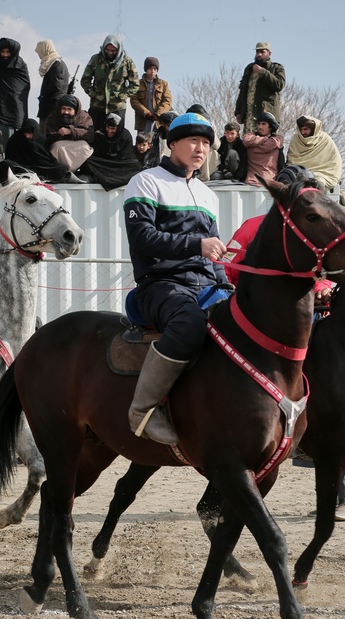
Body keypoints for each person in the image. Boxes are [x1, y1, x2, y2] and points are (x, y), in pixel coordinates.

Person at [123, 113, 229, 444]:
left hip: (206, 286)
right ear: (172, 144)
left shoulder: (207, 194)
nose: (202, 149)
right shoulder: (145, 181)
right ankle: (143, 409)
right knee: (189, 322)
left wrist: (227, 287)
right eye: (194, 141)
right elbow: (142, 238)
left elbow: (215, 255)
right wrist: (197, 244)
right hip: (161, 285)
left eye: (207, 144)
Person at [80, 34, 140, 133]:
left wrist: (122, 96)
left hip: (117, 107)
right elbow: (85, 80)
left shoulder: (127, 62)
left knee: (115, 136)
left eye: (113, 51)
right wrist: (93, 94)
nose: (110, 53)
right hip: (97, 106)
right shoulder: (96, 59)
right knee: (93, 135)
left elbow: (135, 84)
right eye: (107, 50)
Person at [234, 41, 285, 135]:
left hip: (266, 117)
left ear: (269, 53)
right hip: (249, 115)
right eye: (257, 52)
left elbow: (279, 85)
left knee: (265, 145)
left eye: (262, 52)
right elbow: (242, 92)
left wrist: (263, 72)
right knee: (248, 143)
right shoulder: (249, 69)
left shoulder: (276, 68)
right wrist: (238, 111)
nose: (259, 54)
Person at [80, 113, 141, 190]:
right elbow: (96, 154)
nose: (109, 131)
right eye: (107, 127)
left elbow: (127, 156)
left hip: (119, 164)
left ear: (118, 128)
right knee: (87, 160)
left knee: (136, 165)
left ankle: (102, 178)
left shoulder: (126, 136)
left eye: (113, 128)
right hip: (103, 164)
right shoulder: (99, 134)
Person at [286, 115, 342, 192]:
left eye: (305, 129)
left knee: (318, 183)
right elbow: (291, 161)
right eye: (301, 129)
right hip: (299, 174)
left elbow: (335, 163)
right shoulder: (296, 140)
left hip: (321, 175)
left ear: (313, 129)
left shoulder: (325, 139)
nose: (302, 132)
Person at [4, 119, 67, 183]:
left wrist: (34, 147)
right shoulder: (15, 139)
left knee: (61, 168)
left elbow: (46, 161)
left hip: (38, 169)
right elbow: (10, 158)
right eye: (25, 132)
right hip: (21, 168)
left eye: (30, 133)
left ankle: (34, 176)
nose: (27, 136)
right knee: (6, 165)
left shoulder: (41, 140)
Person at [46, 95, 95, 177]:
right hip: (60, 146)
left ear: (75, 110)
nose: (66, 112)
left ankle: (82, 172)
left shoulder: (83, 117)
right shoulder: (54, 116)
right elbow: (50, 136)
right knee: (56, 147)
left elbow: (89, 134)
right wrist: (61, 133)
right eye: (64, 109)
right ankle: (63, 172)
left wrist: (70, 131)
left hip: (78, 145)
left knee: (85, 147)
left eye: (69, 109)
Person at [35, 39, 69, 137]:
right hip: (48, 107)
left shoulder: (57, 64)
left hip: (52, 109)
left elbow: (56, 86)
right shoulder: (51, 64)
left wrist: (44, 96)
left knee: (47, 138)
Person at [131, 57, 172, 134]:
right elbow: (134, 101)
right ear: (146, 69)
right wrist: (146, 113)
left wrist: (158, 114)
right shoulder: (137, 84)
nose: (152, 71)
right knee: (143, 144)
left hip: (158, 122)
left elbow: (167, 101)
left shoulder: (163, 84)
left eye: (155, 69)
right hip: (143, 121)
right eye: (150, 68)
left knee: (158, 144)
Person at [242, 112, 284, 186]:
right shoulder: (250, 136)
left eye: (264, 124)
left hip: (270, 182)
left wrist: (255, 143)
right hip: (251, 182)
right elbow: (246, 140)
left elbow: (272, 143)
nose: (260, 127)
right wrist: (265, 138)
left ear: (270, 126)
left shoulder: (276, 139)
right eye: (259, 124)